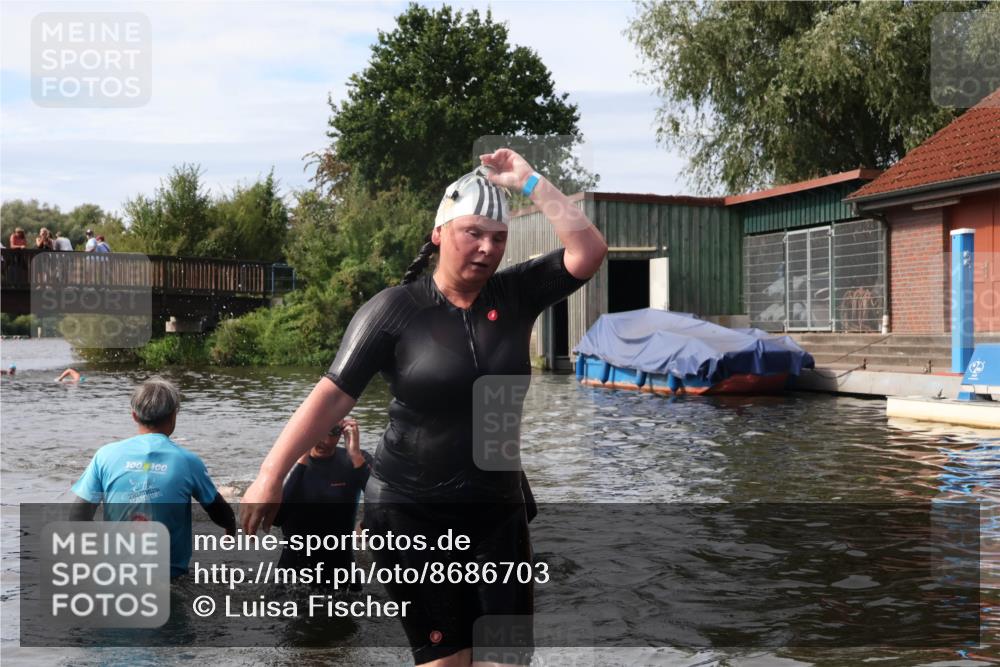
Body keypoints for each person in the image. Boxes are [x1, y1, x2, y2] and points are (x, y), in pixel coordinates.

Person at [241, 148, 607, 666]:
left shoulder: (517, 293)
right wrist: (270, 475)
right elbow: (331, 394)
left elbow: (588, 251)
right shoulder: (395, 310)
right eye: (472, 234)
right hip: (409, 514)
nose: (486, 248)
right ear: (439, 233)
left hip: (496, 511)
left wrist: (529, 182)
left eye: (498, 239)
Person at [70, 377, 236, 578]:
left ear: (134, 416)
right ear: (173, 416)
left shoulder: (105, 455)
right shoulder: (188, 462)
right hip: (169, 576)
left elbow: (78, 515)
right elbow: (219, 511)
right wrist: (230, 526)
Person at [273, 417, 372, 582]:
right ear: (307, 430)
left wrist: (356, 456)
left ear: (342, 432)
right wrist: (302, 460)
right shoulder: (285, 463)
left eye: (333, 432)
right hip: (294, 575)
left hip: (342, 572)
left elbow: (385, 506)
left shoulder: (356, 461)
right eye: (318, 432)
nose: (325, 441)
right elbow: (277, 518)